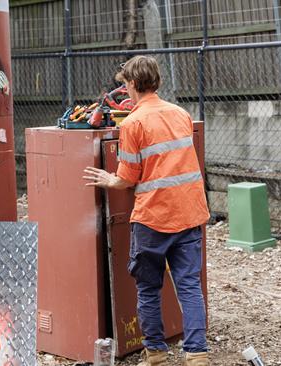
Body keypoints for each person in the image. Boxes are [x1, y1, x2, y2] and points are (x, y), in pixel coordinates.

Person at [82, 55, 210, 366]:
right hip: (190, 213)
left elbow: (128, 178)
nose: (123, 90)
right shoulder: (180, 114)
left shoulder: (134, 123)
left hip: (153, 219)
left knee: (149, 289)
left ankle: (155, 354)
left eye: (125, 84)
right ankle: (197, 356)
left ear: (134, 84)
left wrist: (109, 180)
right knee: (189, 286)